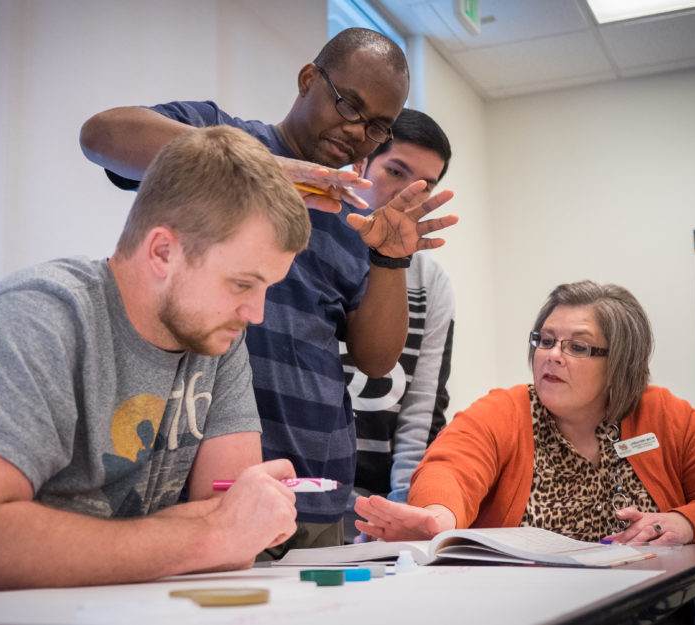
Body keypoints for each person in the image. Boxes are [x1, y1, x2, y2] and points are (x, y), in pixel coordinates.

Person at [0, 126, 310, 606]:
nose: (256, 314)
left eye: (267, 287)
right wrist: (207, 534)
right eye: (243, 283)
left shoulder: (217, 338)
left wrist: (224, 530)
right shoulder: (38, 317)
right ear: (164, 251)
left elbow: (234, 534)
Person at [79, 28, 457, 555]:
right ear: (308, 80)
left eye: (376, 127)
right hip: (195, 478)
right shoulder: (223, 139)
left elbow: (376, 359)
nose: (355, 132)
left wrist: (390, 260)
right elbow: (102, 134)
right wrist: (259, 170)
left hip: (313, 486)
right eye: (349, 104)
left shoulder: (354, 213)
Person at [354, 280, 695, 545]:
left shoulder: (662, 415)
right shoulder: (504, 411)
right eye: (545, 340)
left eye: (577, 346)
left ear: (620, 363)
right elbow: (450, 469)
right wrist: (437, 517)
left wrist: (684, 523)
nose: (551, 356)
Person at [339, 109, 454, 541]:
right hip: (302, 494)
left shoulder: (431, 282)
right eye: (395, 171)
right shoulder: (313, 247)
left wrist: (400, 512)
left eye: (424, 186)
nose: (407, 194)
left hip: (381, 511)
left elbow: (422, 409)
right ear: (359, 165)